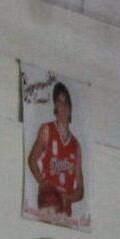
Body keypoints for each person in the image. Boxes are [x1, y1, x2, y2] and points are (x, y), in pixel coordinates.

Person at [27, 82, 84, 218]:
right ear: (55, 107)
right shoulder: (46, 130)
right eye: (59, 102)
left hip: (65, 212)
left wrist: (68, 198)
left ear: (70, 109)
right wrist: (42, 182)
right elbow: (32, 160)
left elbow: (81, 190)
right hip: (48, 206)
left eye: (66, 104)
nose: (62, 107)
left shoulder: (76, 145)